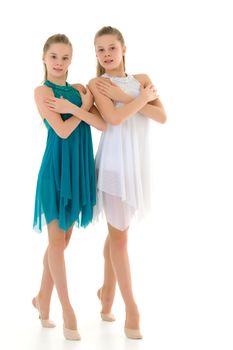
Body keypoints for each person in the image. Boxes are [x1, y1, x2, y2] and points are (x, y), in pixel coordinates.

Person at [88, 26, 167, 339]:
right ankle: (131, 308)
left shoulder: (143, 79)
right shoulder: (98, 84)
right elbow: (115, 119)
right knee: (120, 239)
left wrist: (130, 96)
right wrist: (130, 99)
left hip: (136, 167)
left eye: (111, 48)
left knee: (117, 234)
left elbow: (162, 117)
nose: (106, 55)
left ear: (123, 48)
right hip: (112, 167)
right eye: (100, 50)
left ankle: (106, 295)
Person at [32, 33, 106, 341]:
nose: (59, 63)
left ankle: (41, 298)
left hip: (78, 171)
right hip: (55, 171)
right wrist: (82, 109)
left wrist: (80, 105)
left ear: (71, 60)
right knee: (56, 241)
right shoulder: (41, 91)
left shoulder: (80, 90)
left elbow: (101, 124)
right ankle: (67, 310)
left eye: (65, 57)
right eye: (54, 57)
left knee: (60, 243)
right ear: (44, 58)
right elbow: (61, 131)